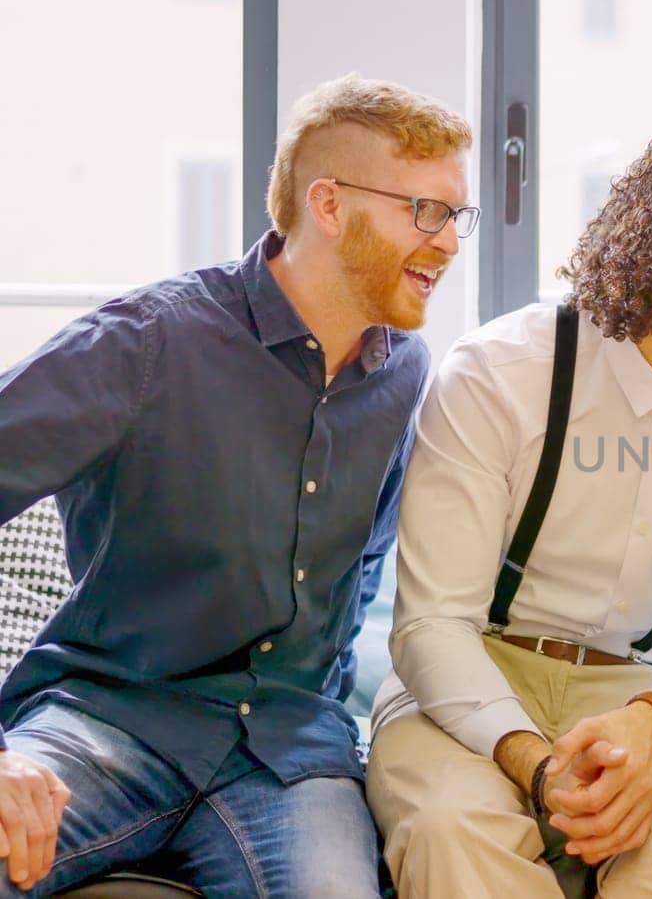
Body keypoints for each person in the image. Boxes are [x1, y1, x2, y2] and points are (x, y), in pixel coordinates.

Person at [0, 74, 475, 897]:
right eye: (425, 212)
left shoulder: (405, 375)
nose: (449, 243)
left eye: (454, 217)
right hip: (109, 719)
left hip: (290, 758)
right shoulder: (147, 344)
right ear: (328, 205)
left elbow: (359, 575)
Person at [364, 122, 652, 898]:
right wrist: (536, 762)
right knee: (452, 823)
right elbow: (431, 628)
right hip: (472, 680)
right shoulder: (500, 373)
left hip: (637, 695)